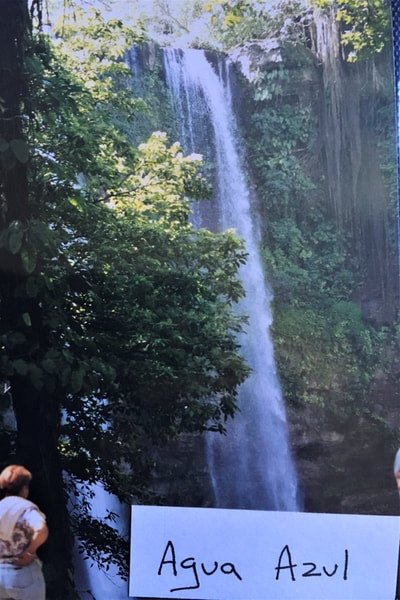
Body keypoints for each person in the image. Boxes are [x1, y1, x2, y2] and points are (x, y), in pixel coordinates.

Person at [0, 465, 48, 600]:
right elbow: (41, 530)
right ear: (24, 488)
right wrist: (29, 552)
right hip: (22, 575)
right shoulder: (25, 508)